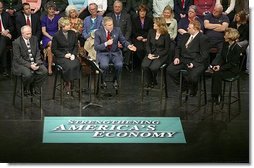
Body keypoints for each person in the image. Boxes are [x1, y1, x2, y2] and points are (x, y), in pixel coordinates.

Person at [167, 20, 210, 96]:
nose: (187, 29)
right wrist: (177, 57)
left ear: (195, 29)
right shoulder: (185, 36)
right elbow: (178, 48)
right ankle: (184, 85)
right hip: (183, 59)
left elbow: (204, 55)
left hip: (196, 61)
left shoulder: (203, 38)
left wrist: (194, 63)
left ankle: (193, 88)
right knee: (170, 70)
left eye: (189, 28)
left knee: (193, 77)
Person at [94, 16, 136, 88]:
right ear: (104, 25)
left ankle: (115, 80)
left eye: (112, 24)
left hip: (115, 53)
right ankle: (102, 80)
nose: (111, 26)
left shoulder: (117, 30)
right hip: (103, 53)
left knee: (119, 65)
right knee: (104, 65)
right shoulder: (98, 32)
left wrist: (129, 46)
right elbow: (96, 47)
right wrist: (106, 43)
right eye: (109, 25)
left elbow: (123, 41)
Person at [12, 25, 47, 96]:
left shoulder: (34, 39)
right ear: (22, 34)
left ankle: (34, 87)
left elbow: (37, 52)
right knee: (28, 74)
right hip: (21, 64)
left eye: (30, 33)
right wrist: (30, 65)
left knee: (44, 71)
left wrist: (37, 62)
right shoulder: (16, 42)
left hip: (34, 62)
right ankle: (25, 88)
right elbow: (18, 58)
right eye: (27, 34)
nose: (29, 35)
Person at [210, 28, 241, 104]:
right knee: (215, 72)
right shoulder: (226, 44)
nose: (224, 37)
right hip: (225, 67)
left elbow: (232, 63)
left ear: (230, 36)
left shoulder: (237, 48)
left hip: (232, 70)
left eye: (225, 35)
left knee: (217, 74)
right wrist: (217, 65)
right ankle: (216, 95)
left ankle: (217, 96)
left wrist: (220, 68)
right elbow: (222, 57)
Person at [52, 17, 81, 94]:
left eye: (69, 24)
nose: (70, 26)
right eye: (67, 24)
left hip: (71, 55)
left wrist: (73, 54)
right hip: (61, 57)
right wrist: (64, 55)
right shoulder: (56, 35)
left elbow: (75, 46)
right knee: (68, 66)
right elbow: (54, 50)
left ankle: (72, 81)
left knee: (76, 63)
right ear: (62, 25)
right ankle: (67, 82)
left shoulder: (73, 33)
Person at [141, 17, 171, 88]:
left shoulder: (166, 35)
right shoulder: (151, 32)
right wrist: (149, 54)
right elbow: (148, 44)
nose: (153, 24)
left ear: (160, 25)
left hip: (161, 55)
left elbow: (166, 49)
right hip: (151, 53)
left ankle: (153, 80)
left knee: (153, 68)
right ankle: (151, 81)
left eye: (155, 23)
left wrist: (158, 55)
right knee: (144, 66)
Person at [106, 0, 132, 71]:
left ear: (122, 7)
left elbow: (128, 30)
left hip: (124, 38)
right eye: (115, 7)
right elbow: (107, 30)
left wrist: (122, 41)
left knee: (129, 46)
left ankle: (125, 64)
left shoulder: (127, 16)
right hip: (112, 39)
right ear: (113, 7)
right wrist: (115, 41)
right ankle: (112, 65)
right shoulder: (108, 16)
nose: (117, 8)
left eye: (119, 7)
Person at [41, 1, 61, 75]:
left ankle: (49, 67)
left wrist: (55, 37)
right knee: (51, 43)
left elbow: (59, 30)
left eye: (53, 9)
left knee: (49, 49)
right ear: (47, 10)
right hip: (47, 37)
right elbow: (43, 31)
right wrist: (51, 37)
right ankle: (53, 64)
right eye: (50, 9)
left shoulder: (58, 18)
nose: (52, 10)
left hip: (56, 36)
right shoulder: (44, 18)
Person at [0, 1, 14, 77]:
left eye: (2, 8)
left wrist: (7, 31)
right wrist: (2, 33)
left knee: (3, 40)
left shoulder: (6, 15)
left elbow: (12, 26)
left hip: (5, 38)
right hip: (3, 36)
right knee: (4, 48)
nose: (1, 10)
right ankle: (5, 69)